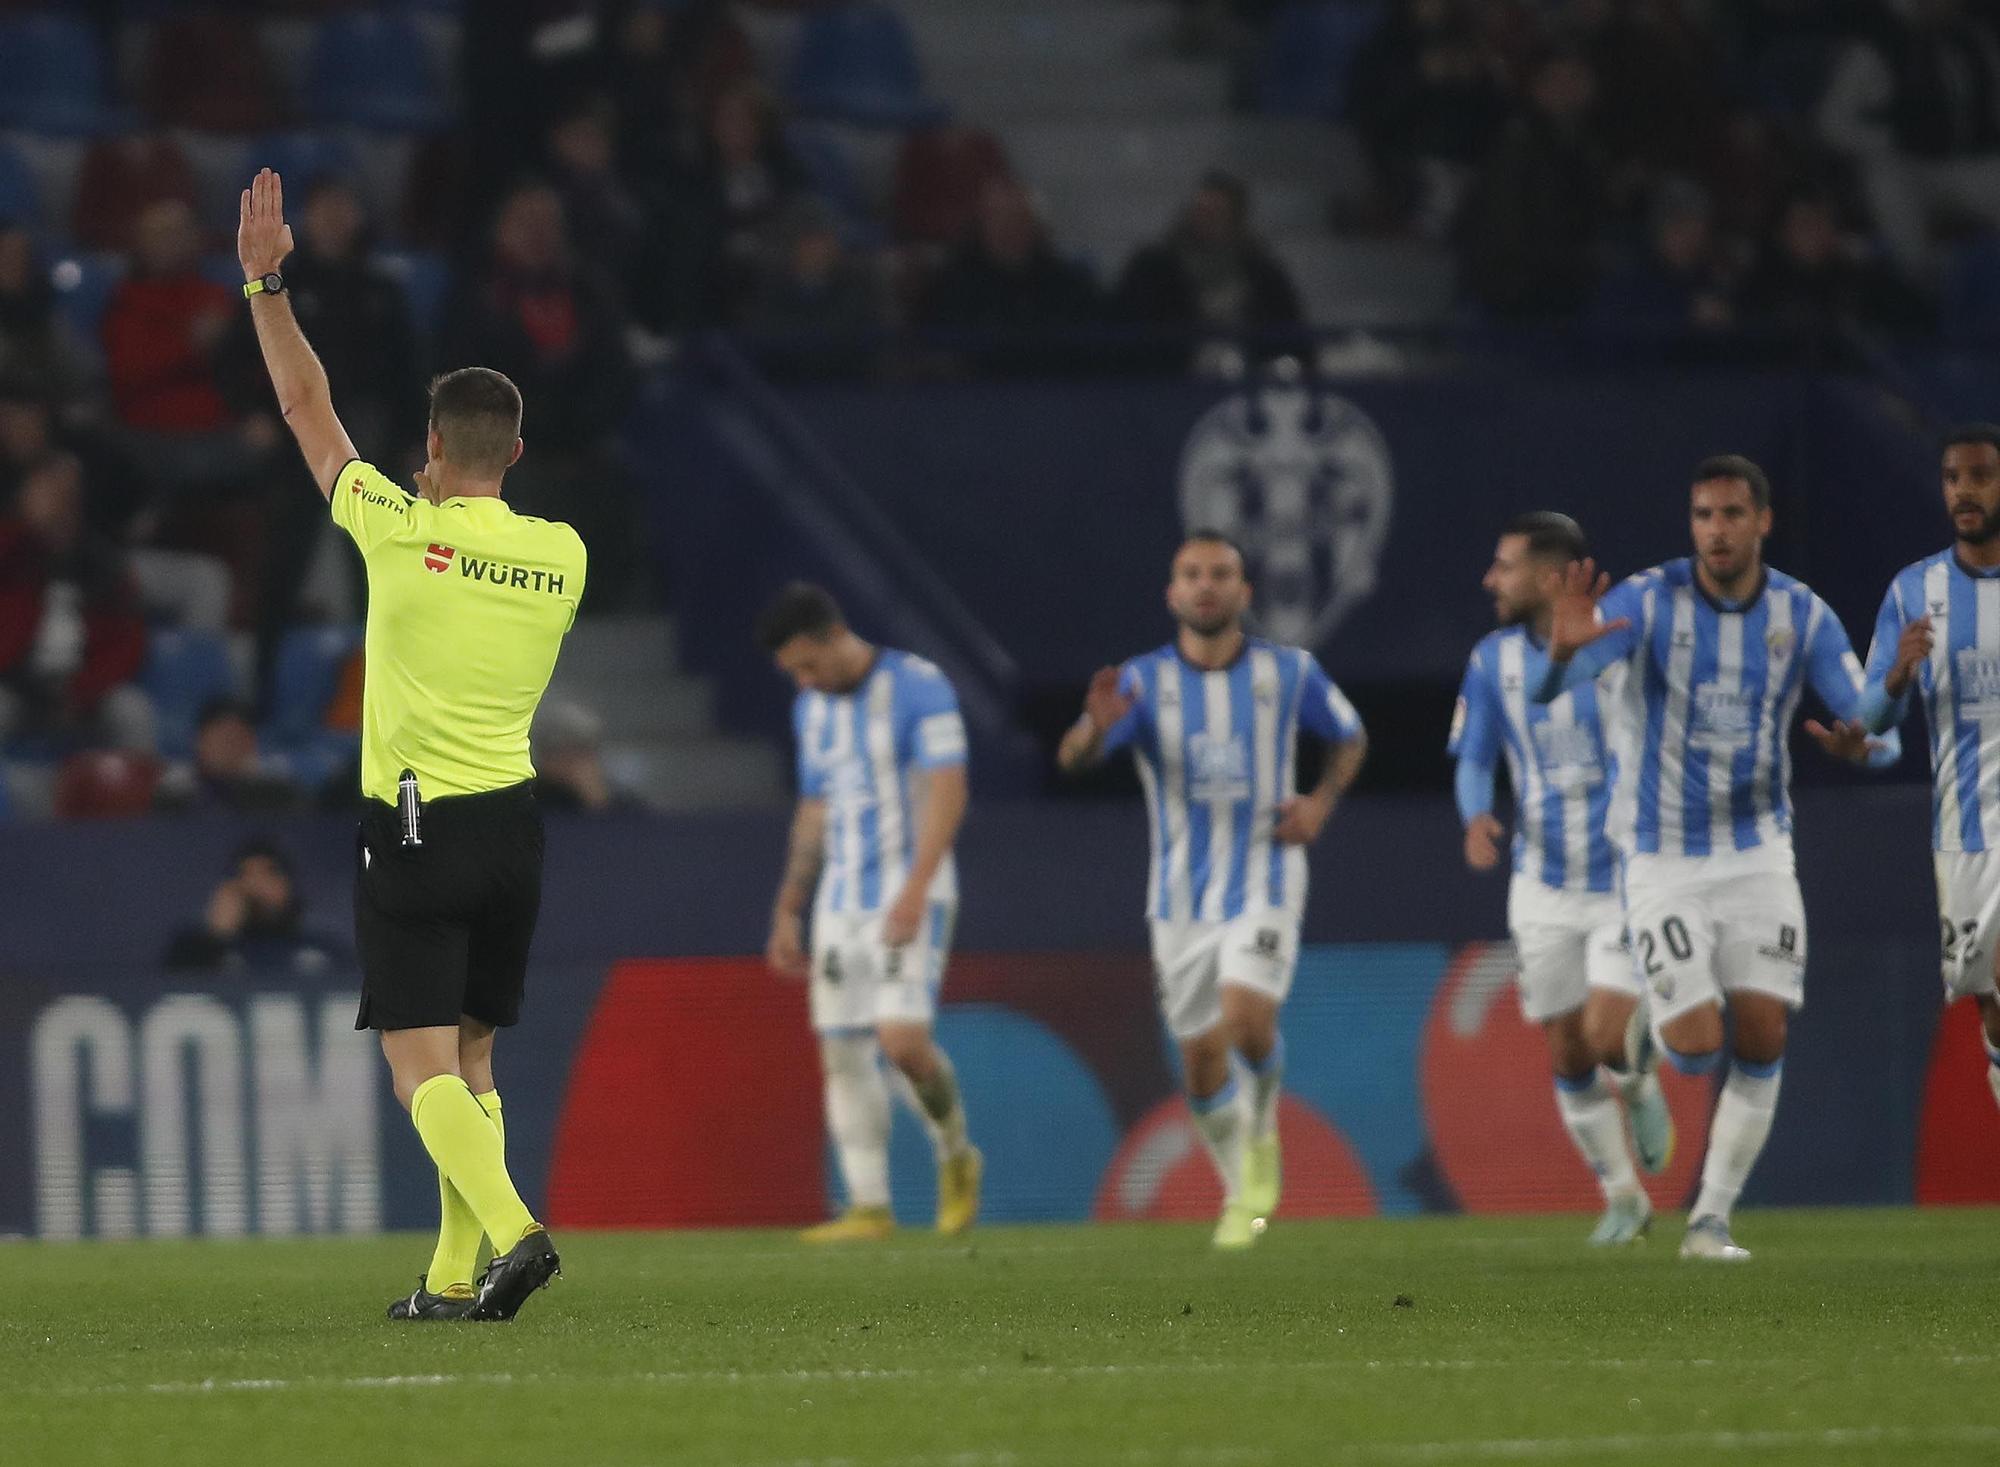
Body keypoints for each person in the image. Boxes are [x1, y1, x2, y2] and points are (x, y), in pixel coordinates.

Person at [237, 168, 586, 1322]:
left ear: (431, 447)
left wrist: (266, 282)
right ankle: (449, 1280)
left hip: (418, 826)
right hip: (515, 830)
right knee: (474, 1061)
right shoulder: (562, 556)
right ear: (517, 453)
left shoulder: (397, 528)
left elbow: (305, 408)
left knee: (416, 1069)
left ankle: (515, 1229)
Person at [1535, 455, 1899, 1260]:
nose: (1717, 530)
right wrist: (1562, 656)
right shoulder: (1647, 598)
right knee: (1696, 1049)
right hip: (1661, 857)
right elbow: (1558, 680)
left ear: (1762, 520)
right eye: (1703, 515)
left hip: (1760, 851)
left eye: (1733, 514)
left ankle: (1710, 1221)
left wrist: (1863, 744)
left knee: (1764, 1033)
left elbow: (1875, 728)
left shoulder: (1801, 616)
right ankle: (1637, 1054)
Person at [1056, 532, 1368, 1249]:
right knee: (1200, 1066)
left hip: (1266, 875)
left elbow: (1350, 736)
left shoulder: (1290, 673)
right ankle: (1240, 1189)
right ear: (1172, 593)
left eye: (1221, 573)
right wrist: (1091, 734)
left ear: (1244, 591)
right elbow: (1075, 756)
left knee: (1248, 1017)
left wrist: (1319, 802)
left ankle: (1262, 1139)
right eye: (1191, 574)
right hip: (1178, 901)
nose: (1206, 585)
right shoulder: (1140, 682)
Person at [1450, 512, 1672, 1247]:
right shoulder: (1490, 661)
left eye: (1502, 566)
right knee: (1568, 1051)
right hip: (1541, 882)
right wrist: (1476, 815)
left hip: (1622, 877)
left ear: (1548, 576)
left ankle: (1639, 1082)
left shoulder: (1617, 641)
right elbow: (1476, 755)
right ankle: (1622, 1196)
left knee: (1608, 1038)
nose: (1489, 579)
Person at [757, 583, 983, 1243]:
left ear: (835, 635)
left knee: (902, 1041)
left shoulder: (918, 686)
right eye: (792, 671)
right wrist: (789, 905)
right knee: (843, 1050)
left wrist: (915, 887)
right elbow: (815, 808)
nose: (804, 679)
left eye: (807, 664)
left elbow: (950, 787)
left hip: (909, 889)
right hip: (840, 902)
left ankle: (956, 1152)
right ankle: (870, 1205)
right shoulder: (812, 709)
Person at [1859, 425, 2000, 1116]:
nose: (1964, 491)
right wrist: (1893, 678)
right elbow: (1869, 718)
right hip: (1964, 833)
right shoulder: (1915, 590)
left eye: (1979, 475)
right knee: (1993, 1008)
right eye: (1952, 478)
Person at [161, 838, 344, 973]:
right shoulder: (198, 949)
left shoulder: (320, 944)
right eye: (247, 876)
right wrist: (215, 937)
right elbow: (167, 990)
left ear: (288, 884)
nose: (257, 887)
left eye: (269, 874)